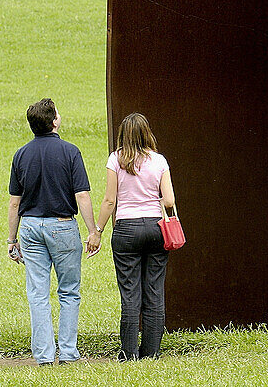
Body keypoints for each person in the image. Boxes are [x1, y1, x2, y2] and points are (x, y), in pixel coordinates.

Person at [8, 98, 99, 366]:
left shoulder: (21, 154)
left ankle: (44, 355)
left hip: (31, 227)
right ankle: (68, 353)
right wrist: (93, 230)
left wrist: (11, 240)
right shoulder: (71, 152)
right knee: (69, 290)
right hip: (62, 226)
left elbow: (15, 201)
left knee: (37, 292)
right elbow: (81, 194)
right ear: (54, 121)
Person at [94, 112, 176, 360]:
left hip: (126, 230)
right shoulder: (159, 161)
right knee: (154, 290)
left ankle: (128, 353)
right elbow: (170, 200)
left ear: (123, 135)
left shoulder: (116, 159)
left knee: (130, 293)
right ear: (146, 132)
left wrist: (97, 230)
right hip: (155, 227)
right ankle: (151, 352)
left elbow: (110, 200)